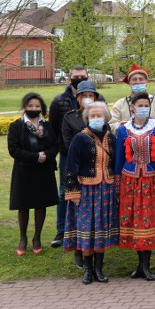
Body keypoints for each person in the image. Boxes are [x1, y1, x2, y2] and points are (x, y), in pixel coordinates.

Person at [115, 92, 155, 281]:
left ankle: (145, 266)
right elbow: (119, 157)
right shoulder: (124, 129)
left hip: (151, 180)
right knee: (134, 221)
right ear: (132, 107)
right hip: (129, 180)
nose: (143, 108)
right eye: (139, 105)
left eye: (146, 105)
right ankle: (139, 264)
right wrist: (117, 183)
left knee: (148, 219)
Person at [63, 101, 119, 284]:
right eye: (93, 116)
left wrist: (117, 188)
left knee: (101, 228)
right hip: (86, 190)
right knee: (87, 228)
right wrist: (73, 192)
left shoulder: (111, 138)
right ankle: (87, 270)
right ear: (87, 118)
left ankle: (99, 269)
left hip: (106, 189)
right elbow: (71, 166)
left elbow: (116, 164)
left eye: (99, 115)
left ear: (105, 118)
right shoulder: (80, 138)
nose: (96, 118)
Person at [61, 79, 105, 269]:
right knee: (82, 219)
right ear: (77, 98)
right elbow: (67, 144)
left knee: (98, 222)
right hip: (81, 177)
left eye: (90, 95)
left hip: (101, 180)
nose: (87, 99)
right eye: (84, 95)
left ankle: (98, 265)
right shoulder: (70, 118)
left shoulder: (105, 125)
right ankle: (81, 254)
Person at [8, 93, 59, 256]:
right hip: (24, 170)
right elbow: (14, 149)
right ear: (25, 107)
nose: (34, 109)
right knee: (23, 205)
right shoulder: (16, 126)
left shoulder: (48, 126)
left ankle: (37, 237)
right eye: (30, 106)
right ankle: (23, 238)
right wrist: (35, 157)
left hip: (44, 170)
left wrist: (46, 156)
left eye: (37, 106)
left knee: (40, 203)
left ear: (41, 108)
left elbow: (55, 146)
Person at [48, 65, 88, 248]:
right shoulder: (59, 101)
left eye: (83, 76)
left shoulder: (96, 98)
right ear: (69, 78)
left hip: (91, 155)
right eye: (76, 76)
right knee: (65, 190)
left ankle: (85, 227)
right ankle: (61, 230)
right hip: (66, 154)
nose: (79, 79)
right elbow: (53, 129)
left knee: (88, 191)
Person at [110, 63, 155, 130]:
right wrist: (128, 127)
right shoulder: (120, 104)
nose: (138, 82)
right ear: (129, 83)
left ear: (146, 82)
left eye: (141, 79)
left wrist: (149, 131)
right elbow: (111, 124)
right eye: (134, 79)